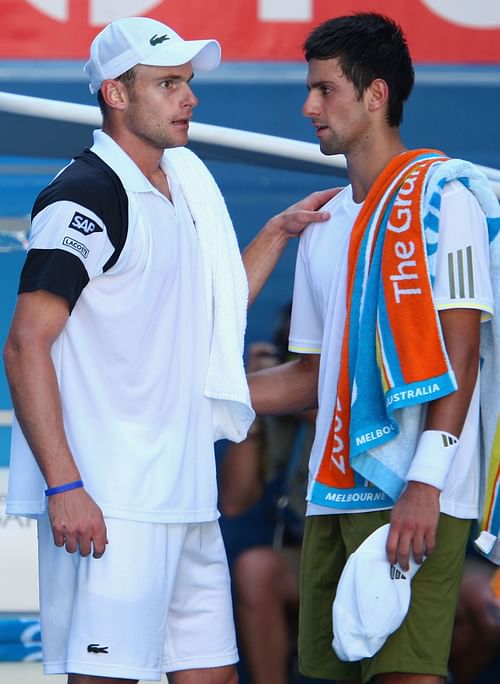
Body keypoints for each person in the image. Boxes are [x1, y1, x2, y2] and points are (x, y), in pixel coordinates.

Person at [2, 16, 335, 684]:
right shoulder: (84, 195)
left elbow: (204, 317)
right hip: (110, 505)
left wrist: (275, 232)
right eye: (168, 83)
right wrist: (66, 486)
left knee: (213, 677)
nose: (190, 98)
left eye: (187, 82)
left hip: (188, 499)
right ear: (116, 95)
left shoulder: (184, 185)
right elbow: (24, 343)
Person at [248, 12, 499, 684]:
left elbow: (463, 352)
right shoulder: (324, 221)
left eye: (324, 90)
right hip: (333, 495)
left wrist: (423, 481)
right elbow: (310, 378)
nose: (308, 106)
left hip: (417, 493)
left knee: (404, 678)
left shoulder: (449, 200)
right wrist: (205, 393)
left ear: (376, 95)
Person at [219, 303, 315, 684]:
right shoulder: (279, 413)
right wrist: (252, 404)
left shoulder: (372, 382)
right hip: (306, 550)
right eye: (288, 351)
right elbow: (235, 501)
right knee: (256, 569)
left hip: (375, 546)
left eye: (306, 354)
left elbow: (343, 410)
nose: (297, 363)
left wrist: (291, 390)